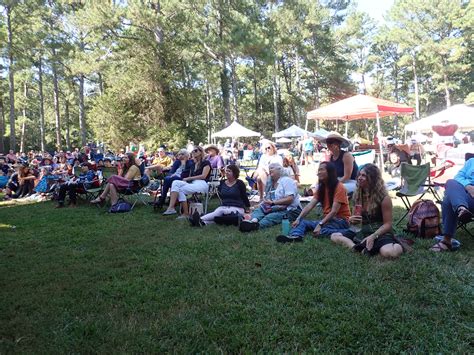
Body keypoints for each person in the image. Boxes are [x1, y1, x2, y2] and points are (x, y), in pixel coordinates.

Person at [331, 164, 404, 258]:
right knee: (334, 236)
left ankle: (373, 246)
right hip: (363, 231)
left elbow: (388, 224)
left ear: (373, 179)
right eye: (359, 175)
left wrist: (373, 236)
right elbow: (354, 222)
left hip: (379, 232)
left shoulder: (384, 198)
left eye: (364, 175)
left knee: (389, 252)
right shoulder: (357, 195)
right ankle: (356, 248)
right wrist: (351, 220)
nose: (359, 178)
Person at [276, 162, 351, 243]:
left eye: (321, 169)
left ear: (330, 171)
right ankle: (295, 236)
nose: (318, 172)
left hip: (340, 221)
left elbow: (334, 212)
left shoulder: (339, 187)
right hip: (328, 220)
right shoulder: (322, 187)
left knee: (320, 232)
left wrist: (320, 224)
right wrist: (298, 218)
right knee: (301, 222)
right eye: (318, 170)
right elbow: (309, 206)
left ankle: (348, 232)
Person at [239, 162, 301, 232]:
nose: (270, 170)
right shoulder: (270, 183)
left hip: (291, 209)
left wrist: (273, 203)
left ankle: (256, 226)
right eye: (269, 168)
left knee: (272, 216)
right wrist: (260, 205)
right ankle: (253, 221)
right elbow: (267, 200)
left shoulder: (287, 181)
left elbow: (290, 199)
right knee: (260, 209)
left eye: (272, 168)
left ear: (279, 170)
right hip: (275, 207)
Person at [431, 157, 474, 252]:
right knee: (451, 182)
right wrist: (468, 186)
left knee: (448, 201)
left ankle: (446, 241)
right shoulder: (471, 161)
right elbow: (458, 177)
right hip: (464, 192)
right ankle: (461, 208)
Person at [162, 146, 211, 218]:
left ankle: (185, 213)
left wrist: (188, 178)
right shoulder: (193, 164)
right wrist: (183, 163)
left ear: (201, 152)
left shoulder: (206, 162)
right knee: (175, 182)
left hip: (202, 183)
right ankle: (173, 208)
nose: (193, 152)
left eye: (196, 150)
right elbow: (184, 173)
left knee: (179, 188)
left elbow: (203, 176)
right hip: (192, 183)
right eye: (192, 151)